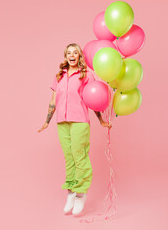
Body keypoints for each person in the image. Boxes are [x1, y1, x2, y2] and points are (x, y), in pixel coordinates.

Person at [38, 43, 112, 216]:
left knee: (79, 156)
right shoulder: (59, 76)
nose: (72, 55)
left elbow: (93, 99)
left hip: (79, 121)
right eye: (69, 53)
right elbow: (53, 100)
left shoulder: (86, 75)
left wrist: (101, 120)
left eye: (75, 53)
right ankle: (70, 192)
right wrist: (47, 121)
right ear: (66, 56)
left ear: (79, 56)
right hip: (62, 121)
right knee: (69, 157)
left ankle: (81, 193)